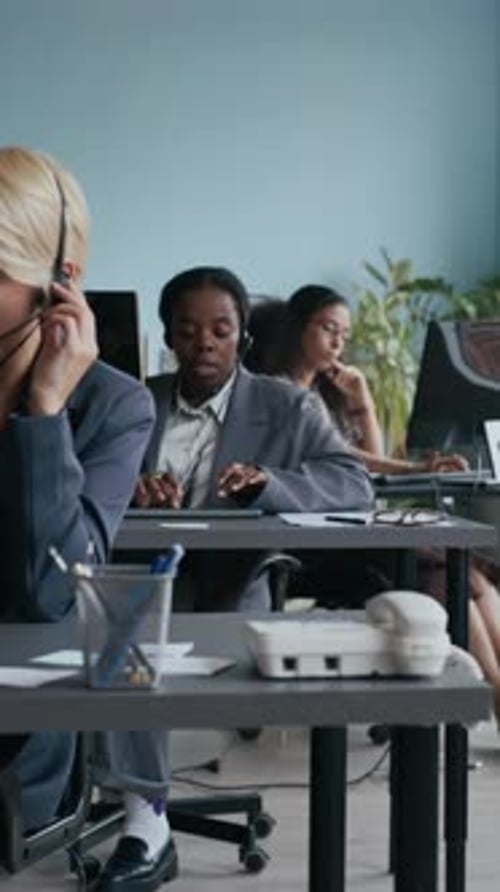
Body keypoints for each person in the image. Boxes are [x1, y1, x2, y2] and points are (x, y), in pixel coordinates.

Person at [0, 147, 176, 891]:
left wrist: (43, 413)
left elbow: (56, 591)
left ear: (56, 284)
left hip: (19, 715)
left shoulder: (113, 406)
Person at [248, 284, 500, 719]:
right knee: (452, 573)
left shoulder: (325, 395)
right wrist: (417, 469)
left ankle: (494, 693)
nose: (337, 343)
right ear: (297, 329)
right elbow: (351, 464)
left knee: (465, 574)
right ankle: (493, 696)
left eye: (343, 335)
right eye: (328, 329)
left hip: (354, 530)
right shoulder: (278, 393)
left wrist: (362, 404)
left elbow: (369, 478)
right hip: (316, 541)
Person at [133, 266, 374, 611]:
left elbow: (354, 483)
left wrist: (268, 485)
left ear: (243, 340)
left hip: (232, 597)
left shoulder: (287, 406)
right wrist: (135, 492)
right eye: (187, 331)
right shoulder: (135, 400)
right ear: (169, 338)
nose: (205, 343)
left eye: (221, 331)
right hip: (136, 591)